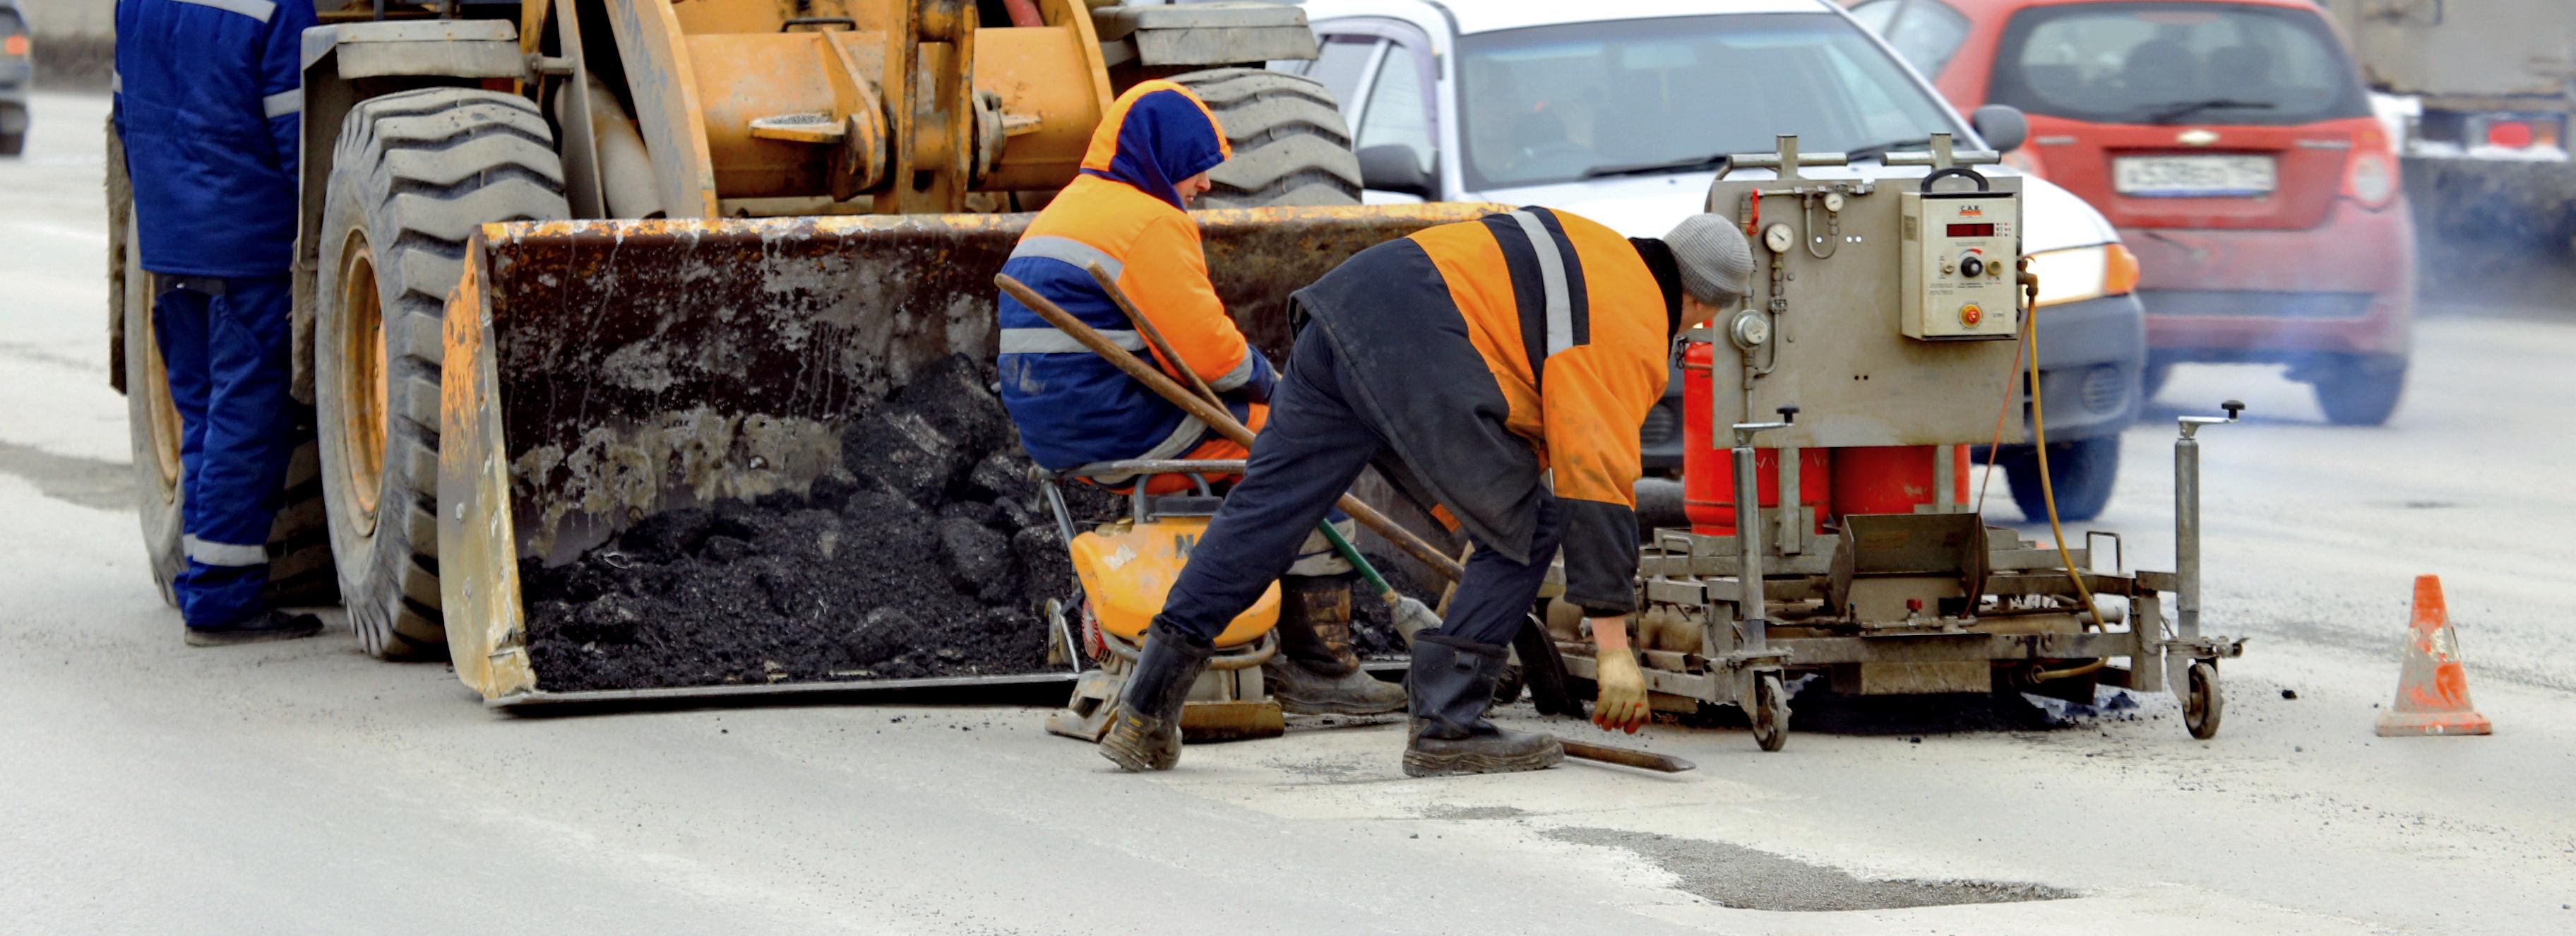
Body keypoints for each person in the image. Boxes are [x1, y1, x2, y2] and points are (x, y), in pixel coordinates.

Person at [1098, 209, 1755, 776]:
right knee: (1528, 527)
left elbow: (1518, 407)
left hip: (1341, 315)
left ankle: (1146, 710)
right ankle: (1448, 725)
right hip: (1416, 347)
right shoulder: (1633, 321)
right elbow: (1597, 476)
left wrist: (1470, 524)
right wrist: (1614, 647)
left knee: (1265, 514)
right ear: (1702, 307)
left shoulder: (1594, 247)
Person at [994, 81, 1406, 715]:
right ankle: (1322, 664)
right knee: (1311, 447)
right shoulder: (1149, 221)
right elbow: (1208, 356)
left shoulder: (1070, 208)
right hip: (1127, 429)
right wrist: (1278, 383)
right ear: (1159, 159)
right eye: (1194, 168)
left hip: (1064, 429)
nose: (1205, 184)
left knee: (1275, 440)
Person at [114, 0, 325, 646]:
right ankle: (219, 599)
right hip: (244, 246)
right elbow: (300, 139)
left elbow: (127, 118)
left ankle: (206, 581)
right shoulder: (277, 6)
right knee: (244, 419)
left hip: (172, 244)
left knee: (206, 412)